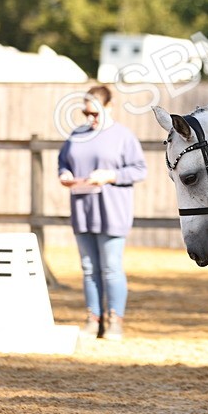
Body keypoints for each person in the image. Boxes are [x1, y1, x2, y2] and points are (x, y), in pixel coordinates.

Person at [57, 85, 147, 340]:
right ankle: (92, 318)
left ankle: (114, 320)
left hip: (112, 211)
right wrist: (64, 174)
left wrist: (111, 176)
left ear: (109, 107)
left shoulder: (123, 136)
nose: (90, 119)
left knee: (110, 267)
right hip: (83, 210)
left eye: (95, 113)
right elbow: (63, 161)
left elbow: (140, 169)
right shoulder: (77, 135)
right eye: (86, 113)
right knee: (88, 268)